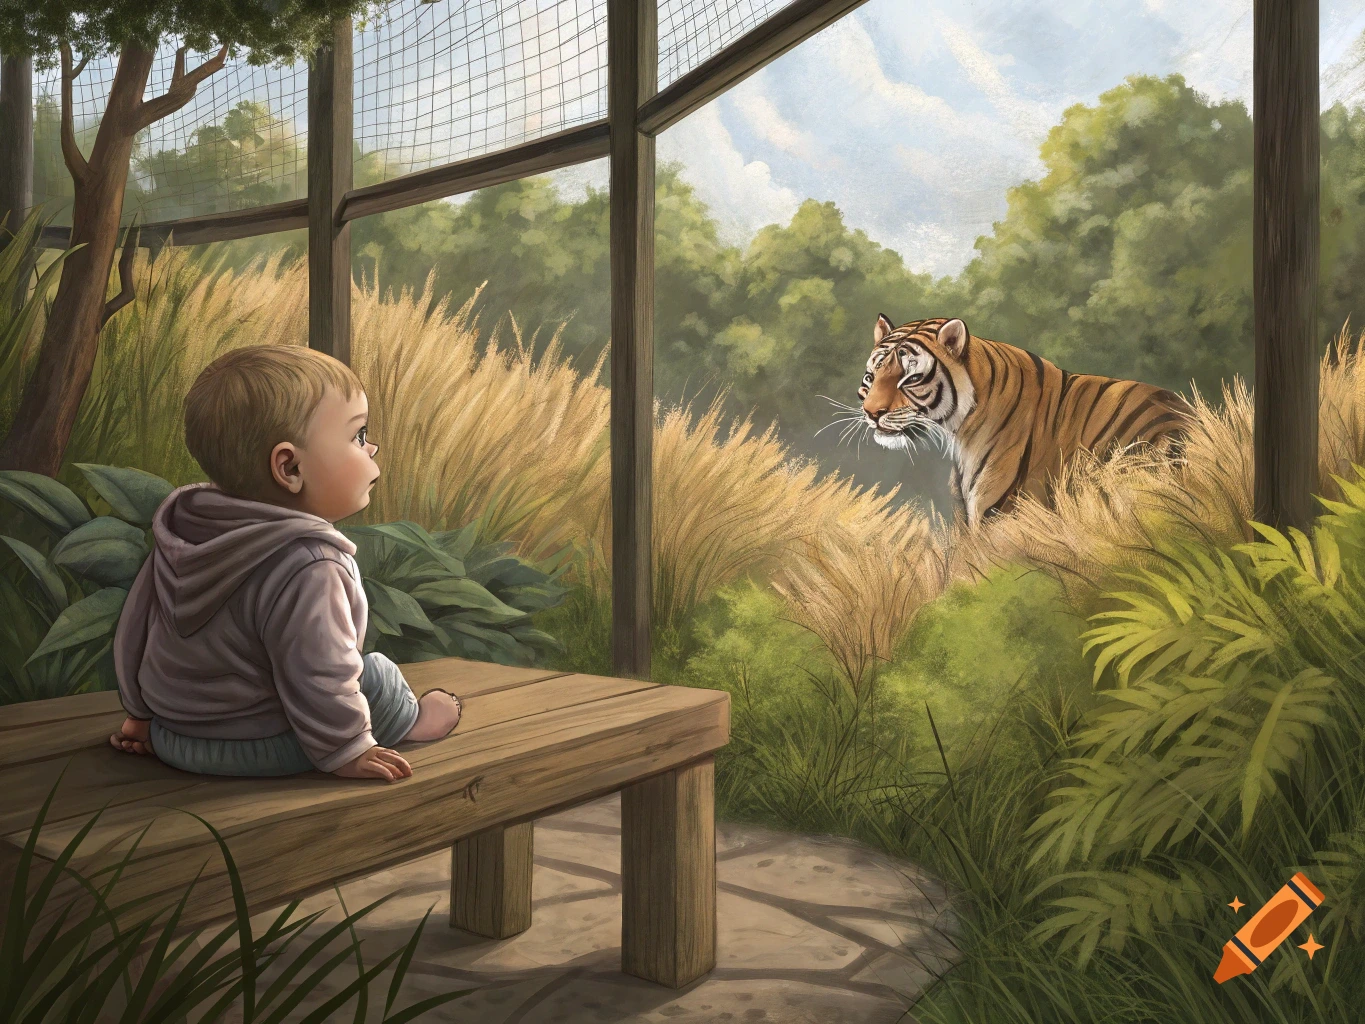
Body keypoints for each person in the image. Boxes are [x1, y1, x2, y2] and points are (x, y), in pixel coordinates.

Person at [108, 344, 462, 783]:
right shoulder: (308, 563)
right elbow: (320, 671)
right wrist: (347, 750)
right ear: (289, 467)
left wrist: (139, 716)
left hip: (176, 738)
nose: (372, 447)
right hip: (270, 747)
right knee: (376, 673)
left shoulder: (185, 532)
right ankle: (412, 721)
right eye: (357, 435)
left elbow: (135, 629)